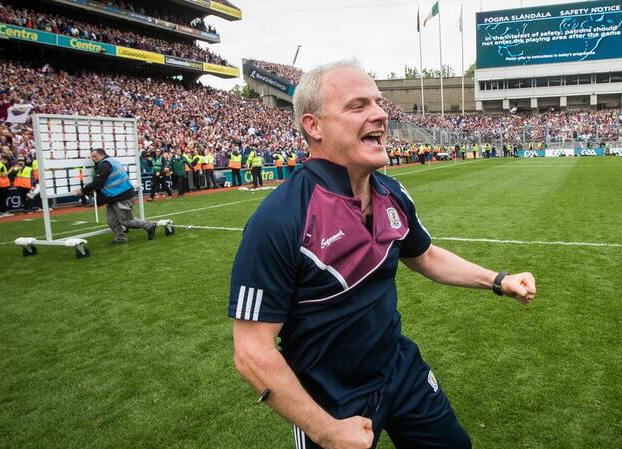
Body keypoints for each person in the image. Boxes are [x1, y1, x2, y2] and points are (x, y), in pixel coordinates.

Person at [228, 61, 536, 449]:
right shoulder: (279, 219)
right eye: (358, 106)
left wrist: (498, 280)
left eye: (378, 102)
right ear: (314, 126)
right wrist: (325, 431)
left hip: (400, 370)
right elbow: (251, 352)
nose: (380, 114)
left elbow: (424, 256)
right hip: (330, 398)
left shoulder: (391, 192)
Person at [74, 148, 157, 244]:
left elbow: (97, 183)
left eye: (94, 156)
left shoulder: (105, 165)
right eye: (91, 156)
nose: (92, 159)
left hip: (122, 195)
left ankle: (149, 226)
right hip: (115, 195)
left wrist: (82, 191)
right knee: (111, 220)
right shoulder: (110, 161)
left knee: (127, 221)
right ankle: (121, 238)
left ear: (101, 155)